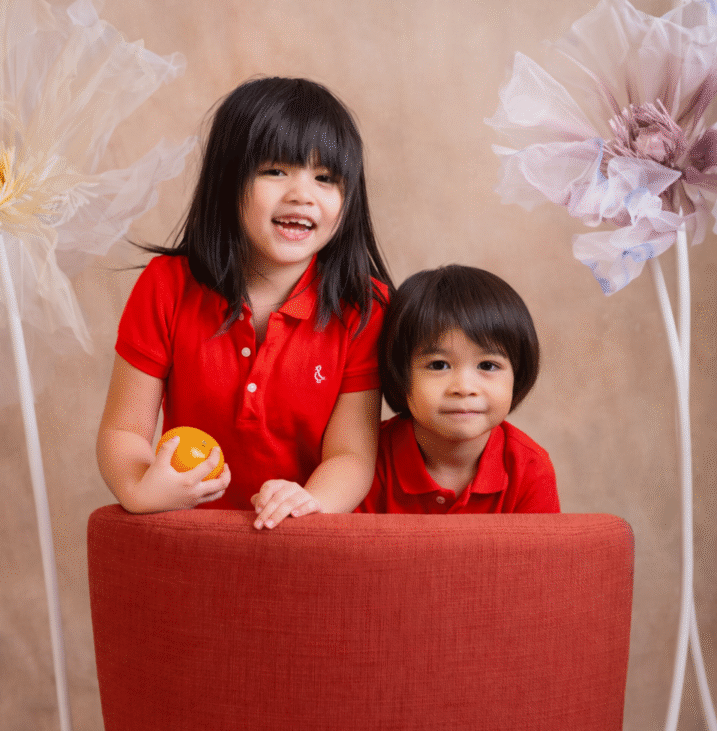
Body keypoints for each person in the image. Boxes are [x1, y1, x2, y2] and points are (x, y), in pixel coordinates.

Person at [97, 76, 392, 529]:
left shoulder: (363, 307)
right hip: (195, 539)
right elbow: (124, 432)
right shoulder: (166, 286)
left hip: (309, 540)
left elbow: (351, 455)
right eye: (275, 171)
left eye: (326, 178)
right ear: (227, 180)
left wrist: (306, 502)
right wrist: (141, 489)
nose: (302, 194)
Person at [359, 264, 559, 514]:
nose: (464, 388)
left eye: (488, 365)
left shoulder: (530, 468)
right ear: (400, 375)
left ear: (517, 375)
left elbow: (539, 554)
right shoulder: (364, 459)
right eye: (438, 365)